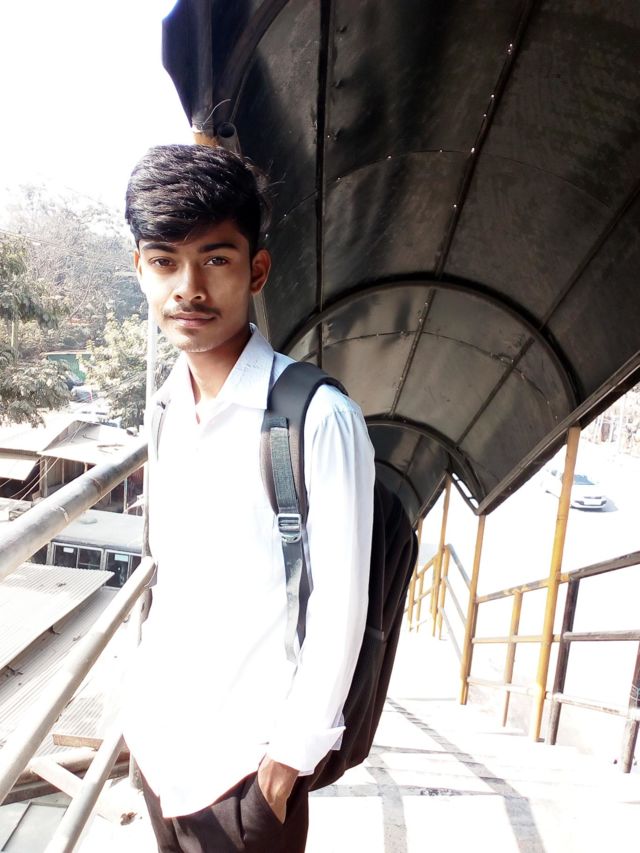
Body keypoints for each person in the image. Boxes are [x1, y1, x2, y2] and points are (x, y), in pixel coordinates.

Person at [120, 144, 375, 852]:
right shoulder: (166, 408)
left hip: (246, 770)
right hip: (162, 751)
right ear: (140, 269)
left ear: (256, 270)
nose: (189, 288)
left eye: (216, 259)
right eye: (165, 261)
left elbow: (342, 605)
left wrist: (286, 762)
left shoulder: (315, 416)